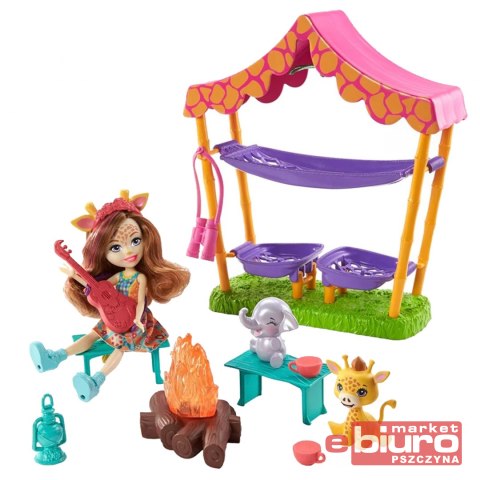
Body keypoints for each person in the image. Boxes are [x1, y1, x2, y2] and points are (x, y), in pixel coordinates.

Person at [29, 190, 190, 401]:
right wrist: (75, 275)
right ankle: (55, 357)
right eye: (115, 247)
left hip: (136, 323)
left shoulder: (140, 278)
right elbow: (98, 287)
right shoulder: (118, 276)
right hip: (113, 317)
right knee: (91, 336)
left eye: (135, 241)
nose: (128, 252)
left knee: (119, 347)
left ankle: (96, 381)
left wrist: (137, 319)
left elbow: (140, 302)